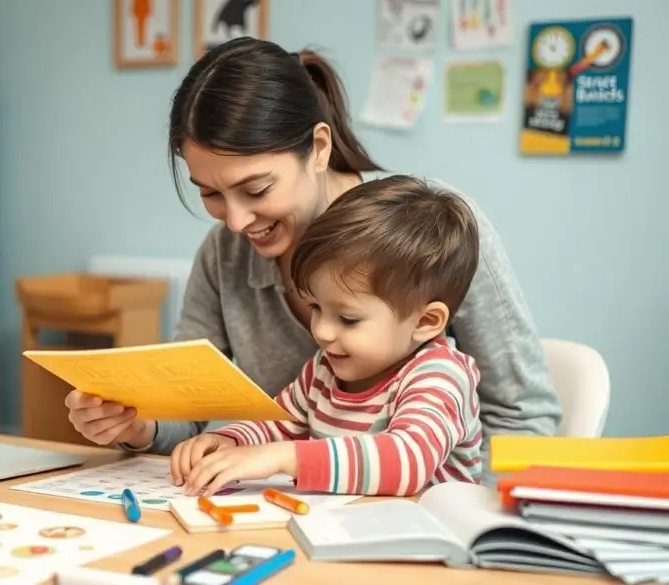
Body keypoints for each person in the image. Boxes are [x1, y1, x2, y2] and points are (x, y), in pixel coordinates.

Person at [63, 37, 561, 483]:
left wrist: (482, 530)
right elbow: (224, 418)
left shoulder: (429, 235)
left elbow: (522, 420)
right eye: (210, 194)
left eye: (255, 189)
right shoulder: (234, 265)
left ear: (319, 148)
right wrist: (138, 426)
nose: (234, 222)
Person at [172, 175, 483, 497]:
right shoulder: (323, 370)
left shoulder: (439, 376)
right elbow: (279, 425)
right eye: (315, 307)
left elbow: (408, 461)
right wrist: (230, 441)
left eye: (348, 319)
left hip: (428, 539)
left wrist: (285, 457)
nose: (320, 331)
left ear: (427, 321)